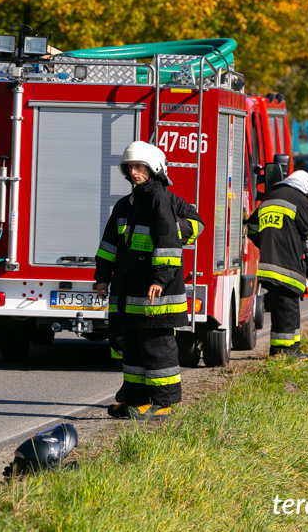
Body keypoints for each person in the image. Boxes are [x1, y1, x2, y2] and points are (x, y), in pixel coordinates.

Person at [94, 141, 188, 420]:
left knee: (157, 347)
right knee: (133, 348)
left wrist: (159, 278)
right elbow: (109, 244)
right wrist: (102, 277)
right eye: (130, 167)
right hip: (131, 293)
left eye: (139, 167)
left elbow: (168, 244)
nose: (134, 172)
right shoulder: (126, 205)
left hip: (157, 294)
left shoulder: (161, 200)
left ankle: (163, 402)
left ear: (154, 169)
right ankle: (136, 400)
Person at [246, 169, 308, 358]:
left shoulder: (269, 198)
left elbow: (252, 228)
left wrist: (266, 241)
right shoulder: (297, 199)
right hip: (287, 265)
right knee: (288, 308)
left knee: (281, 307)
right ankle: (287, 352)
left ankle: (282, 350)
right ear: (305, 188)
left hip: (267, 266)